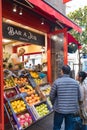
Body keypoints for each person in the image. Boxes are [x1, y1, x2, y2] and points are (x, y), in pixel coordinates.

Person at [50, 65, 81, 130]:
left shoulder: (57, 82)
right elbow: (79, 97)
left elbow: (51, 96)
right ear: (69, 72)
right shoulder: (76, 83)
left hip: (59, 109)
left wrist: (54, 103)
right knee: (69, 127)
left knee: (57, 127)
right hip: (71, 110)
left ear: (62, 71)